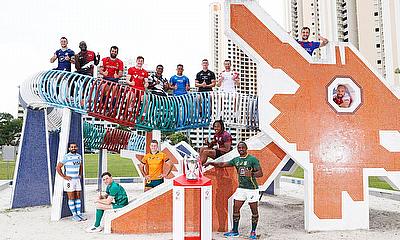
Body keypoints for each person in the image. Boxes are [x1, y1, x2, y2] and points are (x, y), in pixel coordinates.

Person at [204, 142, 263, 239]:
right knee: (235, 209)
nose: (241, 149)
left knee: (254, 211)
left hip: (252, 189)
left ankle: (253, 232)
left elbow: (260, 173)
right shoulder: (236, 160)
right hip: (241, 188)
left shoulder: (252, 159)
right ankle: (235, 231)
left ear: (246, 148)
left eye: (242, 147)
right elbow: (223, 164)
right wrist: (211, 163)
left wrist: (252, 174)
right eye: (239, 147)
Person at [56, 142, 86, 222]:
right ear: (69, 148)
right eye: (71, 147)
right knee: (71, 197)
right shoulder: (66, 157)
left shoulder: (79, 156)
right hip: (69, 181)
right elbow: (58, 167)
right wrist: (64, 176)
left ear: (77, 148)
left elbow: (80, 166)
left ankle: (79, 213)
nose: (73, 148)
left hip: (77, 180)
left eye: (74, 147)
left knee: (78, 196)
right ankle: (74, 215)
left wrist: (80, 174)